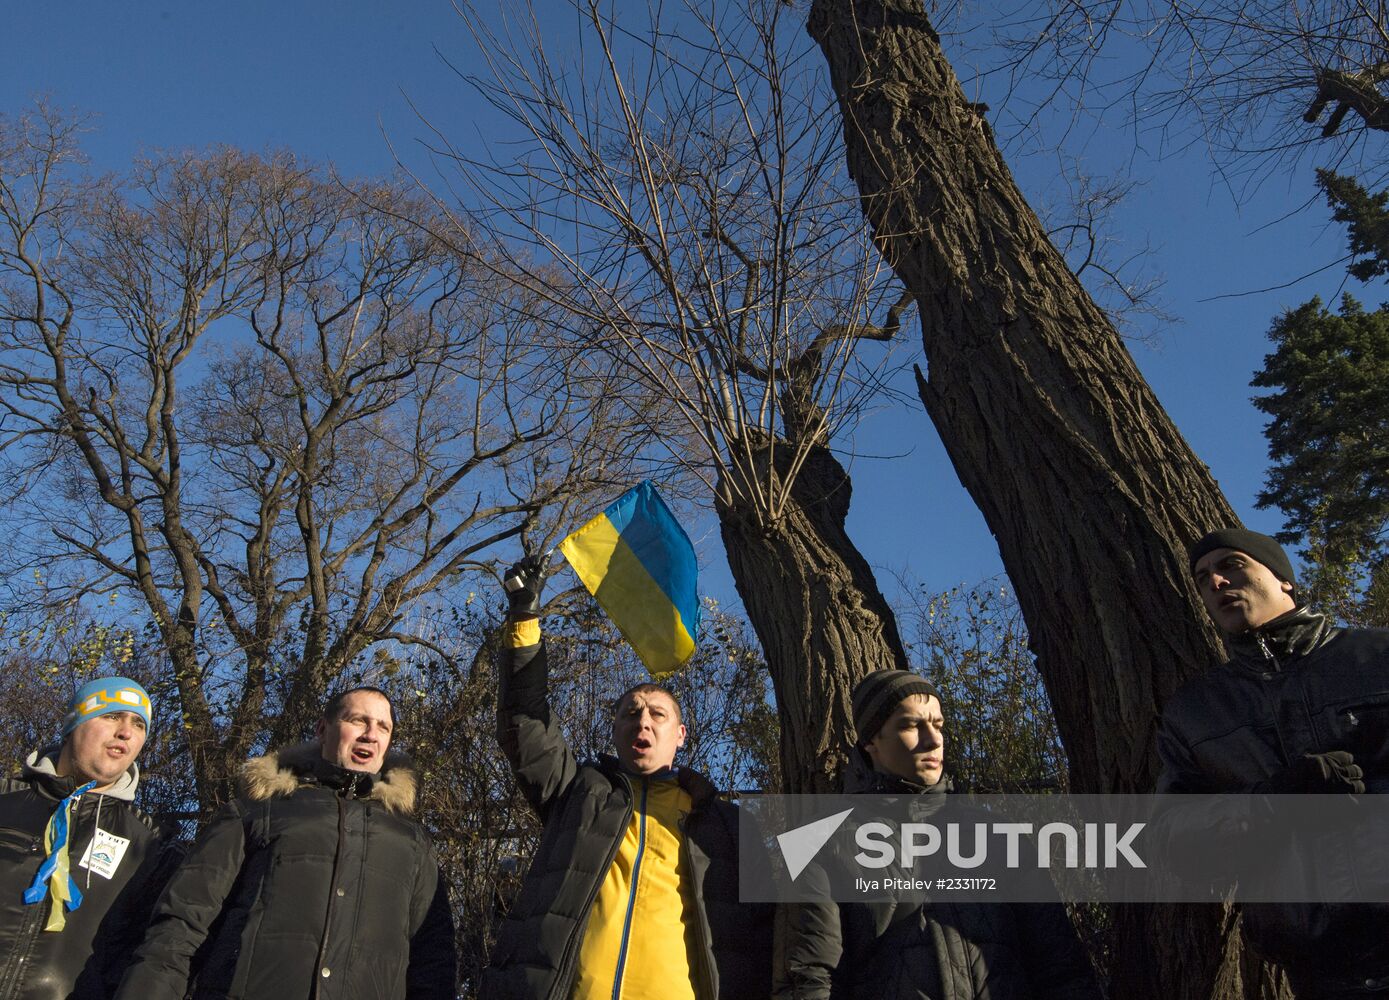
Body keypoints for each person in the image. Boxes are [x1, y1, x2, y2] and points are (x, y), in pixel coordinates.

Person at [481, 556, 771, 1000]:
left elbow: (821, 897)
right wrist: (523, 618)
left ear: (680, 735)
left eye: (658, 714)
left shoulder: (726, 824)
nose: (643, 723)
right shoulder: (575, 792)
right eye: (630, 713)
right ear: (614, 730)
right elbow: (525, 719)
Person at [1157, 527, 1389, 995]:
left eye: (1231, 565)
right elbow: (1173, 842)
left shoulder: (1378, 657)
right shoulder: (1196, 712)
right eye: (1203, 579)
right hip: (1320, 972)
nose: (1216, 583)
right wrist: (1270, 804)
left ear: (1285, 580)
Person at [775, 669, 1101, 1000]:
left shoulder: (1000, 838)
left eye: (938, 724)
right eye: (911, 725)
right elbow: (808, 982)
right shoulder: (819, 843)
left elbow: (1062, 971)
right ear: (870, 740)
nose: (933, 740)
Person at [116, 686, 456, 1000]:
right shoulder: (257, 812)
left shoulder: (412, 843)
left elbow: (433, 963)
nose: (371, 734)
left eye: (383, 727)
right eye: (358, 720)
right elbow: (182, 923)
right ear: (323, 729)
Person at [0, 675, 177, 1000]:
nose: (125, 731)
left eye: (139, 724)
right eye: (111, 715)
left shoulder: (150, 847)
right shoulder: (5, 801)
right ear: (72, 725)